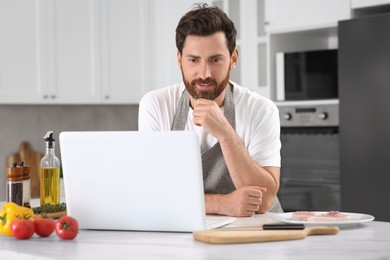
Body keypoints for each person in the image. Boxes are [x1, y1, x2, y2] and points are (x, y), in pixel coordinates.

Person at [138, 3, 283, 217]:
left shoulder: (261, 109)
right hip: (186, 230)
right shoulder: (156, 105)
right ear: (180, 60)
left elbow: (265, 200)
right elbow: (153, 193)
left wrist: (225, 133)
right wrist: (221, 204)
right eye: (194, 60)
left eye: (215, 60)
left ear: (233, 58)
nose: (204, 73)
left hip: (256, 232)